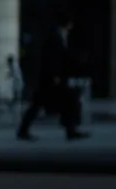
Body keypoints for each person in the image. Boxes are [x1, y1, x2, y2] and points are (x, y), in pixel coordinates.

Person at [18, 14, 89, 142]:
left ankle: (70, 130)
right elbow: (51, 58)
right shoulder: (55, 36)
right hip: (50, 78)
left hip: (54, 78)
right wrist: (54, 74)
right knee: (39, 104)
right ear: (67, 24)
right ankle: (69, 130)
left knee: (66, 101)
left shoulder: (60, 35)